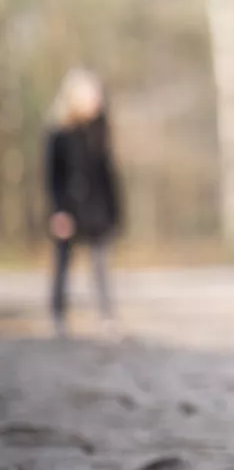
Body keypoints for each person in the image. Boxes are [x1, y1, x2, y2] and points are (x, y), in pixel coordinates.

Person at [44, 68, 124, 339]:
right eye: (91, 94)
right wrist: (58, 211)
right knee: (63, 264)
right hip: (70, 208)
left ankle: (106, 315)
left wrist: (115, 212)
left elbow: (108, 176)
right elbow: (52, 177)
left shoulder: (100, 131)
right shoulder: (59, 134)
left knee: (101, 266)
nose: (97, 99)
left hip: (98, 209)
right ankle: (58, 315)